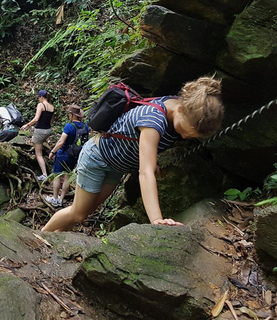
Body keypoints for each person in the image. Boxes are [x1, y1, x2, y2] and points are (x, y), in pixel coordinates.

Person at [42, 76, 225, 232]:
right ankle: (40, 237)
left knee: (84, 213)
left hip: (116, 168)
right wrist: (156, 219)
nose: (184, 136)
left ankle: (56, 239)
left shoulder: (178, 104)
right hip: (96, 159)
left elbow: (146, 147)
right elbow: (145, 173)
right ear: (180, 109)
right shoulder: (153, 119)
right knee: (78, 212)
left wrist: (153, 160)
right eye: (185, 131)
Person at [45, 104, 89, 207]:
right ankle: (61, 199)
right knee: (67, 177)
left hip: (63, 154)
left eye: (69, 114)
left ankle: (55, 199)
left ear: (72, 115)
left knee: (56, 175)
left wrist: (53, 152)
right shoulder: (85, 126)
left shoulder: (69, 126)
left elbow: (61, 141)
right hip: (75, 155)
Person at [21, 90, 55, 181]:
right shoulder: (52, 107)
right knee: (38, 145)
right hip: (48, 131)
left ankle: (44, 175)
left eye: (39, 98)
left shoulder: (41, 105)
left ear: (41, 97)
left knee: (38, 154)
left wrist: (27, 125)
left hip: (40, 131)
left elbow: (36, 119)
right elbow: (51, 121)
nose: (38, 100)